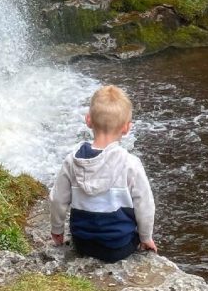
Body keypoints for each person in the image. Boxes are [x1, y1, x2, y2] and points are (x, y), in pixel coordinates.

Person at [49, 84, 157, 262]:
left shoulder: (72, 160)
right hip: (119, 246)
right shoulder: (130, 164)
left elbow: (58, 200)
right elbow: (145, 206)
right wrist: (146, 238)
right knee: (130, 225)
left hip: (82, 243)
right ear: (126, 128)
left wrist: (57, 231)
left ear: (88, 120)